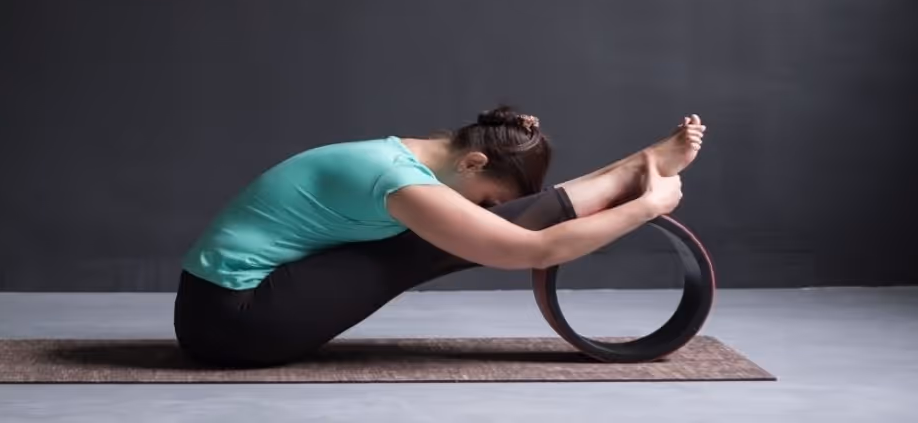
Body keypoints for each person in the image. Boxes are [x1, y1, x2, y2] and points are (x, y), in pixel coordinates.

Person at [174, 106, 706, 367]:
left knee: (437, 235)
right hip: (231, 324)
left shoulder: (402, 155)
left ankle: (630, 167)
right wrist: (646, 206)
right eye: (488, 198)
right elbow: (534, 249)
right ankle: (631, 173)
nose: (485, 208)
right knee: (428, 244)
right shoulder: (397, 181)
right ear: (474, 161)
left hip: (219, 307)